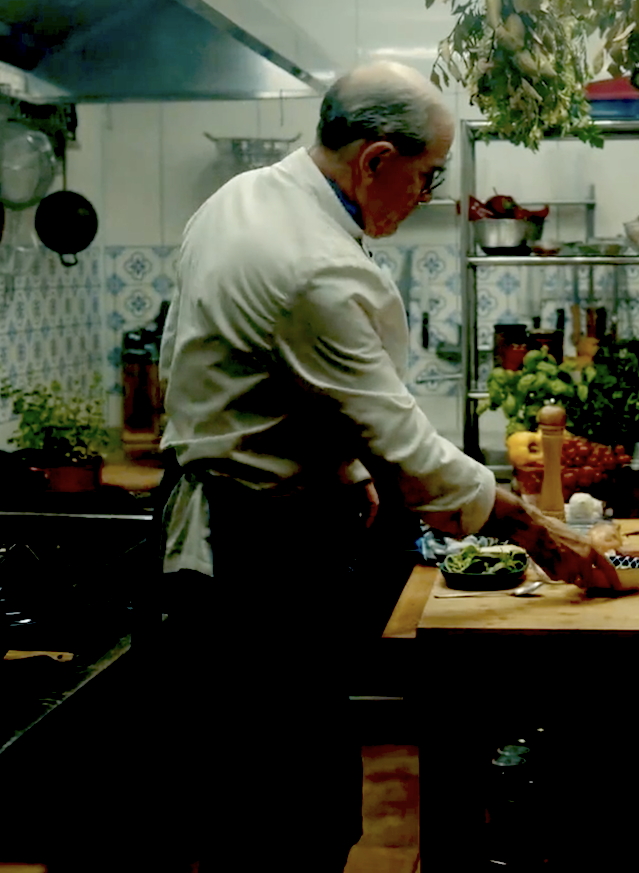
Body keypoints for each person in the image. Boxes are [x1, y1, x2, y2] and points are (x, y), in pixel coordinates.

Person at [143, 61, 612, 873]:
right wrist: (542, 534)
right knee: (290, 812)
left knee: (248, 796)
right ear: (375, 161)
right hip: (257, 554)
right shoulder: (313, 266)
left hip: (216, 528)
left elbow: (231, 382)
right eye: (428, 178)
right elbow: (411, 455)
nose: (424, 195)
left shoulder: (239, 200)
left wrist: (346, 471)